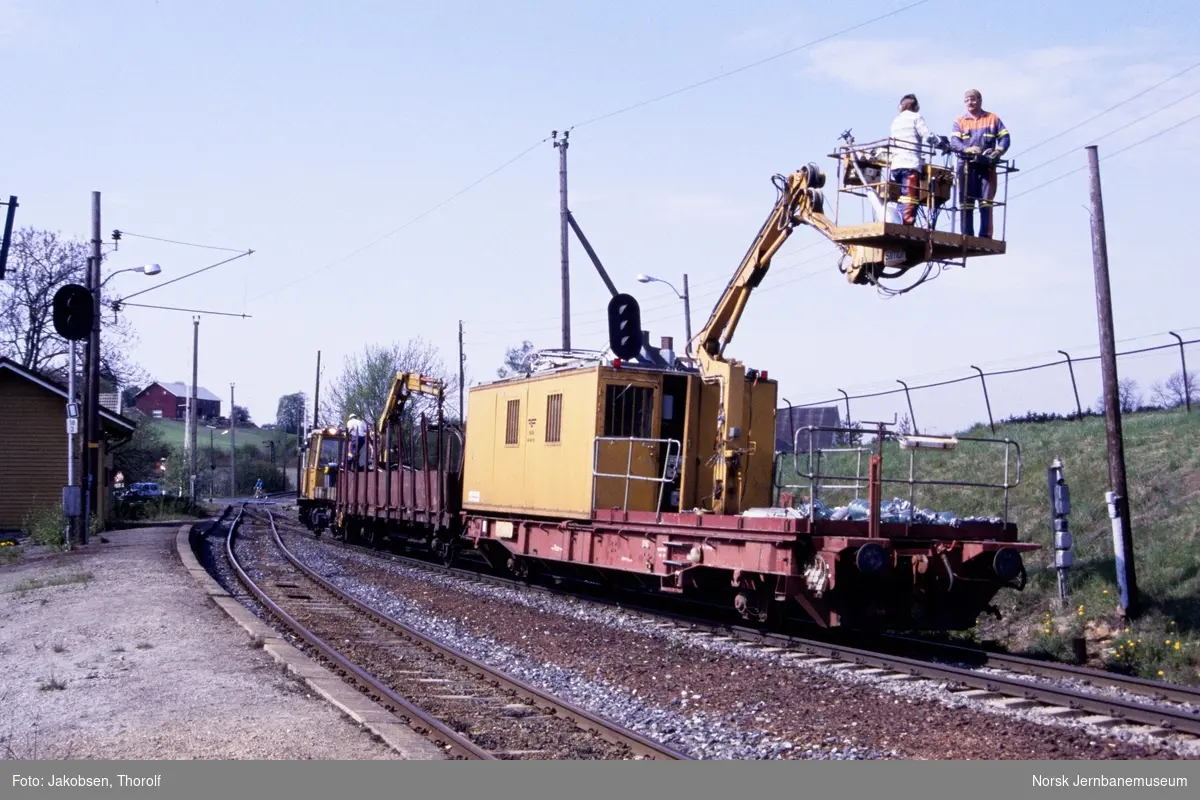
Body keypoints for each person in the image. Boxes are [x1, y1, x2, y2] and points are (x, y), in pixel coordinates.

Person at [948, 89, 1010, 238]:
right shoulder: (960, 121)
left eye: (973, 99)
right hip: (966, 166)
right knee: (966, 202)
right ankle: (967, 234)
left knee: (986, 201)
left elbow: (1005, 137)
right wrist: (967, 149)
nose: (970, 102)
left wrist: (998, 151)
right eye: (967, 100)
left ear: (980, 100)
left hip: (986, 166)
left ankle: (985, 235)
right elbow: (954, 142)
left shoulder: (992, 119)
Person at [887, 94, 946, 226]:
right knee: (910, 197)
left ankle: (898, 222)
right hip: (910, 164)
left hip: (896, 165)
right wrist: (942, 144)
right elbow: (927, 136)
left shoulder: (896, 121)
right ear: (916, 107)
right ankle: (906, 225)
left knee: (902, 197)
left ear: (900, 107)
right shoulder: (916, 117)